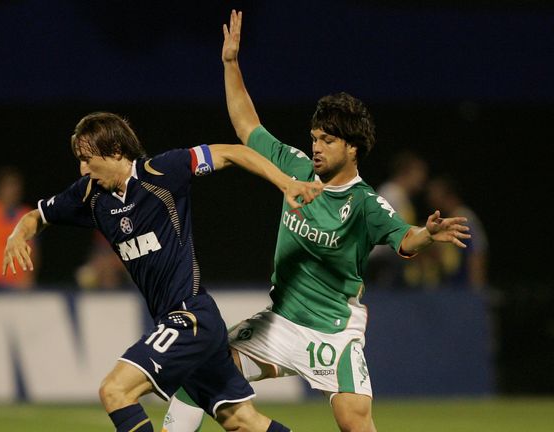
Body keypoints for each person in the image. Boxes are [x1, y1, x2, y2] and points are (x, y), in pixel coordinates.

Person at [162, 10, 471, 432]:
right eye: (314, 138)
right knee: (200, 373)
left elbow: (405, 239)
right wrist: (230, 64)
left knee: (353, 421)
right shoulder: (296, 169)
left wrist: (428, 235)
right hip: (281, 322)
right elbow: (247, 125)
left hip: (334, 334)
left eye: (327, 140)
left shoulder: (365, 204)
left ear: (353, 148)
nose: (317, 146)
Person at [2, 112, 321, 432]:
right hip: (191, 325)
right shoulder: (89, 195)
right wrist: (18, 234)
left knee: (115, 391)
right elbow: (38, 215)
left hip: (190, 317)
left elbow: (233, 152)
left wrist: (285, 183)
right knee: (241, 420)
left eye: (87, 159)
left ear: (115, 151)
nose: (82, 169)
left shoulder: (163, 172)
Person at [367, 151, 428, 288]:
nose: (422, 178)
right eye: (419, 172)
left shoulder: (401, 196)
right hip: (378, 263)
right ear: (406, 171)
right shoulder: (391, 193)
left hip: (388, 261)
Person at [424, 175, 488, 290]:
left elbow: (477, 254)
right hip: (450, 289)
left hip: (464, 290)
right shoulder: (447, 221)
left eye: (434, 194)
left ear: (448, 195)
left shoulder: (464, 218)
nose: (430, 198)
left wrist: (476, 290)